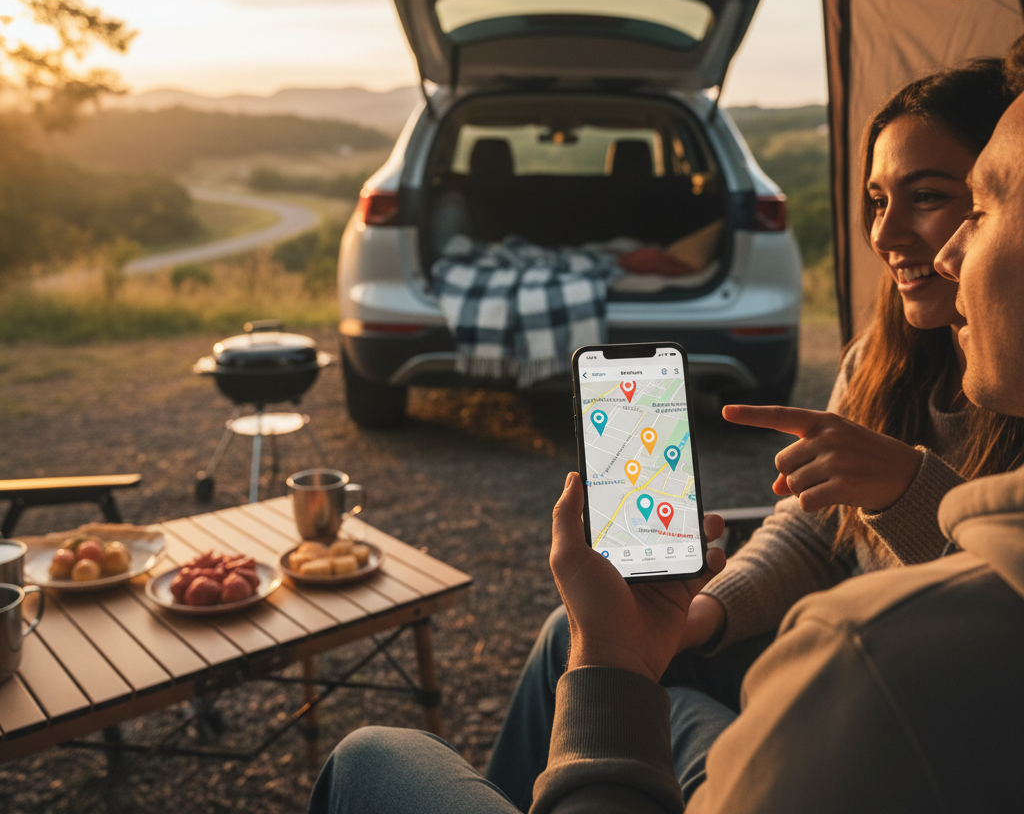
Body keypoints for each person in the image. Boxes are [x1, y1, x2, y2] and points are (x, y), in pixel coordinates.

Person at [307, 42, 1024, 813]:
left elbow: (987, 616)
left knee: (370, 756)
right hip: (869, 684)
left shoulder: (1004, 401)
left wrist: (910, 493)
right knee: (568, 633)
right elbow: (815, 532)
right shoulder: (881, 362)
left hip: (895, 706)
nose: (888, 236)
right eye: (877, 200)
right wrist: (702, 617)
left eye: (943, 201)